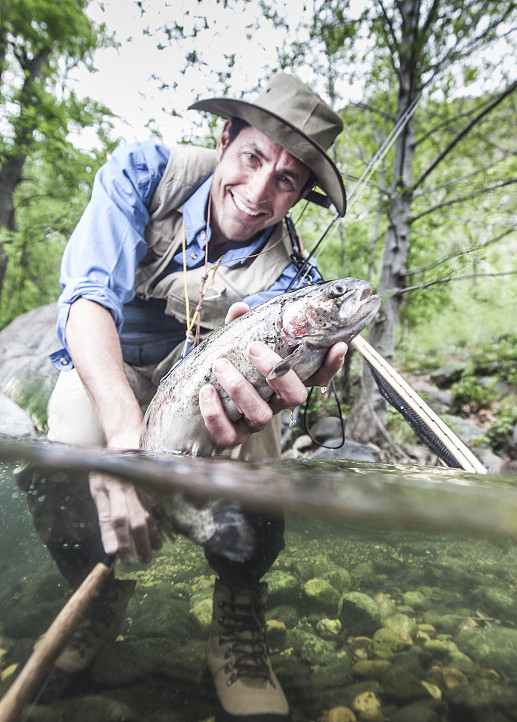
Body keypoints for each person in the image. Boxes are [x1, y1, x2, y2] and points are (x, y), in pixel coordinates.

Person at [17, 72, 348, 721]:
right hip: (108, 361)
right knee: (72, 438)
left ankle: (238, 612)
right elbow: (86, 296)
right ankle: (100, 591)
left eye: (285, 180)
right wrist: (124, 437)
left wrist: (282, 387)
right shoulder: (143, 171)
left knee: (259, 437)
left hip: (204, 380)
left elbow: (271, 375)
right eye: (253, 158)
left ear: (301, 193)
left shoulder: (294, 276)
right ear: (225, 137)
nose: (257, 193)